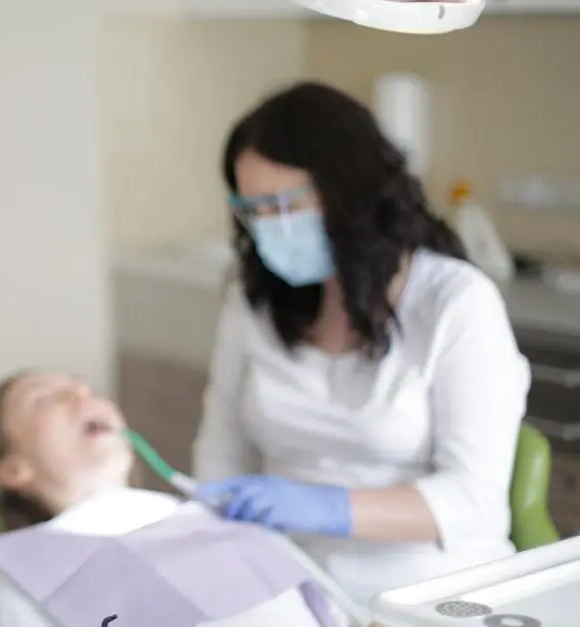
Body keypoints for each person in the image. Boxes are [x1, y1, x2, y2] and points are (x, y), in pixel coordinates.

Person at [192, 81, 531, 605]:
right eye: (254, 210)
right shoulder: (252, 301)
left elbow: (474, 500)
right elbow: (220, 455)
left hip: (434, 591)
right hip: (291, 586)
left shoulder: (456, 303)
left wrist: (329, 507)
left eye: (287, 206)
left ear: (352, 193)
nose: (271, 228)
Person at [0, 371, 355, 627]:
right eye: (47, 397)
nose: (84, 397)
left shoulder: (214, 518)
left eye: (88, 389)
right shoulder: (22, 572)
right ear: (12, 469)